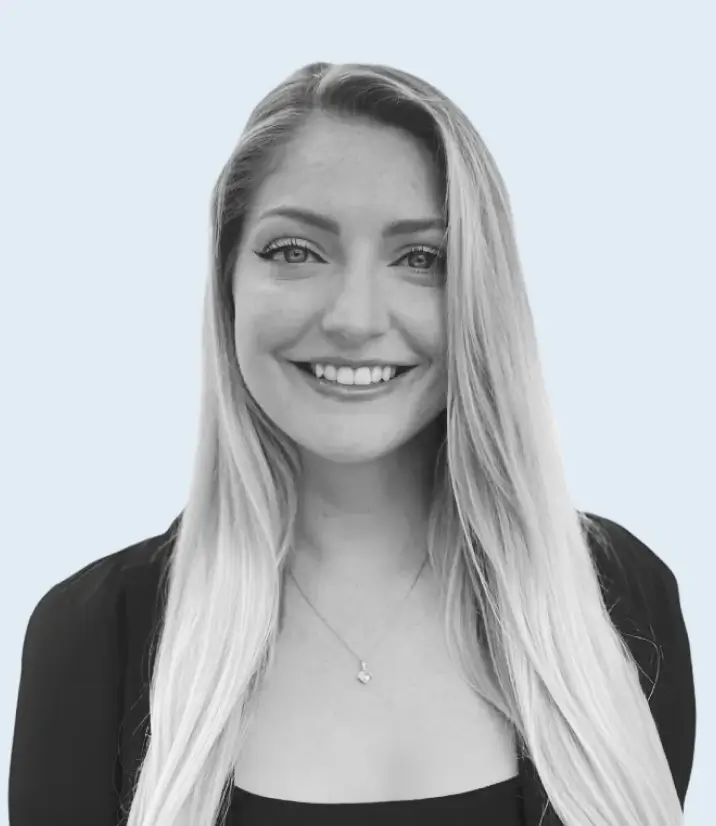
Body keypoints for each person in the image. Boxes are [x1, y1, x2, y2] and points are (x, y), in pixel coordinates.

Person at [9, 61, 695, 826]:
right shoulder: (91, 639)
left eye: (421, 258)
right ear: (227, 280)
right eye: (296, 251)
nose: (355, 318)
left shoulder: (618, 601)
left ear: (482, 294)